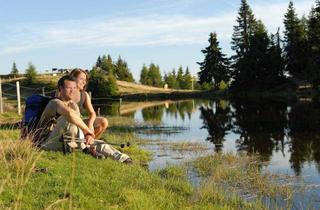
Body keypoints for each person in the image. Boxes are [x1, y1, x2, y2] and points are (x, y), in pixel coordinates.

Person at [38, 75, 132, 163]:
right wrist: (87, 131)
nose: (72, 91)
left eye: (74, 88)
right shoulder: (55, 102)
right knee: (66, 118)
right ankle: (87, 148)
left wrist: (89, 136)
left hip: (68, 140)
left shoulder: (73, 105)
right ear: (60, 88)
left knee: (98, 142)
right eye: (68, 88)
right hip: (49, 141)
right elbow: (70, 114)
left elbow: (77, 123)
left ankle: (121, 157)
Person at [69, 68, 108, 139]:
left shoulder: (85, 95)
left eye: (85, 80)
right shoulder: (63, 91)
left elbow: (92, 113)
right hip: (65, 124)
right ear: (73, 78)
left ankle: (89, 142)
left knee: (103, 122)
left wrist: (90, 124)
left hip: (79, 123)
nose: (84, 82)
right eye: (81, 79)